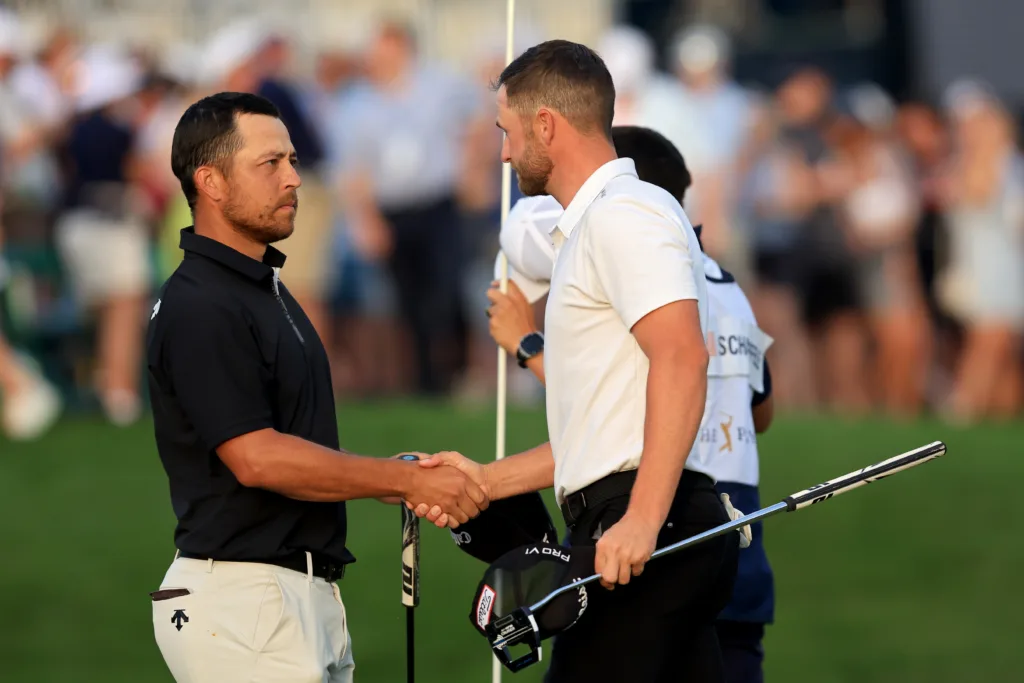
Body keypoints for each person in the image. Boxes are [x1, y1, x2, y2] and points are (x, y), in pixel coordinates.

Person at [416, 41, 738, 682]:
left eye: (506, 132)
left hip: (644, 531)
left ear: (545, 125)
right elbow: (596, 435)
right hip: (635, 524)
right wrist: (481, 482)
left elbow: (680, 357)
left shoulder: (625, 213)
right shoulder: (597, 225)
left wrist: (642, 519)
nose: (503, 153)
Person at [145, 91, 487, 683]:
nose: (294, 179)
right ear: (212, 182)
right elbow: (256, 458)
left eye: (294, 161)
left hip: (289, 597)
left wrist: (382, 474)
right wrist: (400, 480)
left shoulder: (259, 287)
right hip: (243, 603)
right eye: (270, 164)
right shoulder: (202, 304)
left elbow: (285, 444)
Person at [481, 125, 776, 683]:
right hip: (736, 546)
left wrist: (527, 345)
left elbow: (631, 408)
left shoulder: (651, 278)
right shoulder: (730, 289)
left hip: (654, 527)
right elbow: (760, 411)